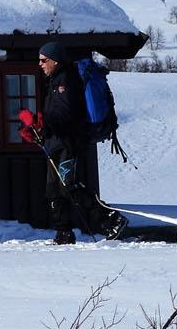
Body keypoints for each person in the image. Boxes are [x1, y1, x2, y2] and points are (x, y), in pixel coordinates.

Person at [33, 40, 118, 244]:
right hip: (56, 143)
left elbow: (66, 115)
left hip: (67, 143)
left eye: (44, 60)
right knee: (54, 189)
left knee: (68, 186)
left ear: (54, 60)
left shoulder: (66, 81)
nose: (40, 64)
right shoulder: (54, 81)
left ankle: (110, 220)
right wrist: (37, 128)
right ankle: (63, 232)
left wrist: (44, 126)